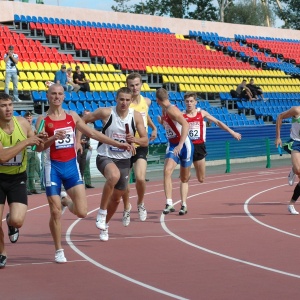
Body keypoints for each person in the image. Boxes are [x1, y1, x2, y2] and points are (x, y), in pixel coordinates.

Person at [35, 84, 132, 263]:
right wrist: (51, 139)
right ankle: (59, 250)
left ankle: (66, 200)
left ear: (64, 97)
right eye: (53, 94)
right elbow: (38, 148)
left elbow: (94, 134)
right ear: (48, 96)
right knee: (55, 212)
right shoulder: (42, 119)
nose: (57, 97)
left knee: (82, 212)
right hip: (53, 168)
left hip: (71, 168)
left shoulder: (72, 116)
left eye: (60, 94)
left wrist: (119, 144)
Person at [81, 87, 148, 242]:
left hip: (124, 160)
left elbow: (145, 140)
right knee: (113, 176)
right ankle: (101, 212)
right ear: (116, 99)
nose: (124, 102)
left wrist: (135, 140)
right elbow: (82, 121)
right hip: (105, 156)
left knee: (117, 199)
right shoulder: (106, 112)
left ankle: (105, 225)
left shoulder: (135, 116)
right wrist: (78, 140)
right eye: (121, 99)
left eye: (127, 100)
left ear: (131, 101)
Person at [0, 93, 45, 268]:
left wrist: (41, 139)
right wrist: (27, 141)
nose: (8, 108)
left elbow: (38, 147)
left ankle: (12, 222)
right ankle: (2, 252)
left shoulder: (23, 123)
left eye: (10, 104)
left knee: (18, 220)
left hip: (17, 177)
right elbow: (2, 157)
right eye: (3, 105)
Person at [182, 92, 242, 189]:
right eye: (187, 101)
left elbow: (218, 122)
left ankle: (193, 170)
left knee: (201, 179)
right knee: (185, 177)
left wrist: (232, 132)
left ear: (195, 102)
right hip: (187, 147)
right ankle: (186, 175)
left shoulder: (201, 113)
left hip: (199, 147)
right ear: (184, 102)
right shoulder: (181, 115)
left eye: (191, 101)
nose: (189, 103)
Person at [121, 73, 157, 227]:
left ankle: (140, 203)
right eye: (131, 85)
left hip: (141, 144)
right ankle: (126, 207)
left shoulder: (146, 101)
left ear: (141, 85)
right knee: (124, 183)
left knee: (140, 178)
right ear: (127, 86)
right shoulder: (125, 104)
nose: (134, 88)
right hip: (125, 146)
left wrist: (154, 127)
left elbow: (145, 117)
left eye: (137, 85)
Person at [156, 88, 193, 216]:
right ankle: (169, 202)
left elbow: (186, 125)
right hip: (172, 145)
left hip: (184, 146)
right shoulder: (164, 110)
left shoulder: (172, 109)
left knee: (184, 178)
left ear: (157, 100)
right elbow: (170, 126)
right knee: (167, 171)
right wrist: (162, 122)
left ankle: (183, 204)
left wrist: (181, 144)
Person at [275, 106, 300, 215]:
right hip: (296, 143)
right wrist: (278, 137)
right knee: (298, 169)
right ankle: (294, 170)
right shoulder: (296, 110)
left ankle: (291, 204)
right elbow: (280, 116)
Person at [24, 111, 41, 195]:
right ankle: (26, 188)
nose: (29, 120)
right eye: (27, 118)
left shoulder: (34, 128)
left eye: (30, 118)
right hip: (26, 151)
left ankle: (32, 187)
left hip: (33, 151)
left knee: (32, 171)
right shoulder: (23, 128)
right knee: (26, 171)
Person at [77, 110, 94, 188]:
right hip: (77, 148)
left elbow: (89, 136)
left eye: (89, 115)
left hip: (85, 147)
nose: (88, 116)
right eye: (86, 115)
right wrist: (79, 141)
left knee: (84, 166)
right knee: (77, 165)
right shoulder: (77, 124)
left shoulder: (90, 125)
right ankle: (77, 182)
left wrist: (88, 145)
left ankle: (85, 182)